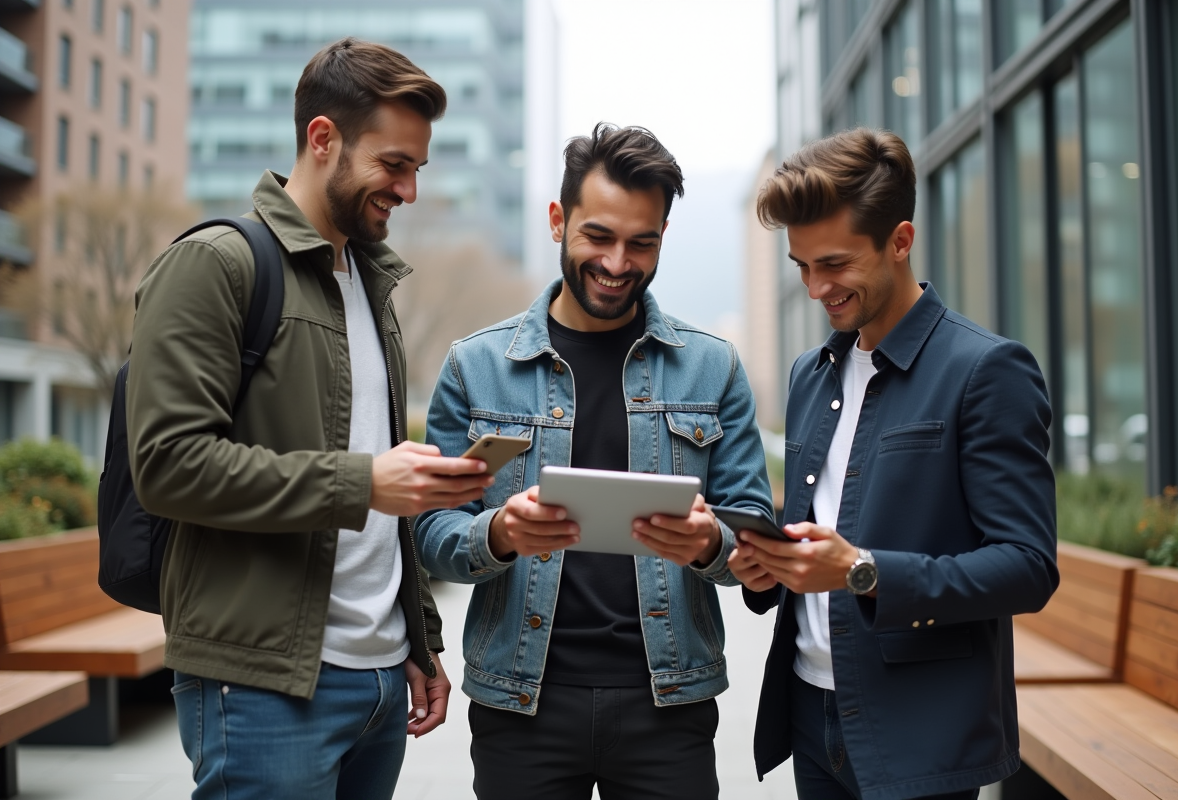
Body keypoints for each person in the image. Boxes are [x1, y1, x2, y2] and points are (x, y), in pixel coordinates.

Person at [126, 38, 494, 800]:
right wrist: (364, 481)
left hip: (383, 682)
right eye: (394, 165)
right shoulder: (217, 264)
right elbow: (167, 464)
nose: (409, 190)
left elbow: (384, 490)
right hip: (262, 684)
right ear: (322, 139)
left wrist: (419, 640)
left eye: (418, 169)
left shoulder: (370, 284)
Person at [416, 123, 774, 800]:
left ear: (664, 236)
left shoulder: (713, 366)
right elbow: (430, 534)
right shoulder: (476, 366)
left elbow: (754, 529)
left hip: (669, 706)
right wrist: (496, 534)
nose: (618, 263)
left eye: (642, 242)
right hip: (520, 705)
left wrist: (709, 545)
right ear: (558, 221)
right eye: (599, 237)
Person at [727, 128, 1058, 800]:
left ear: (900, 242)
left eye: (837, 264)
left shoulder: (987, 370)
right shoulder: (808, 375)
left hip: (920, 733)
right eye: (802, 267)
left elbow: (1028, 567)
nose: (818, 288)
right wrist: (766, 569)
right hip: (810, 715)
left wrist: (862, 571)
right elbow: (816, 534)